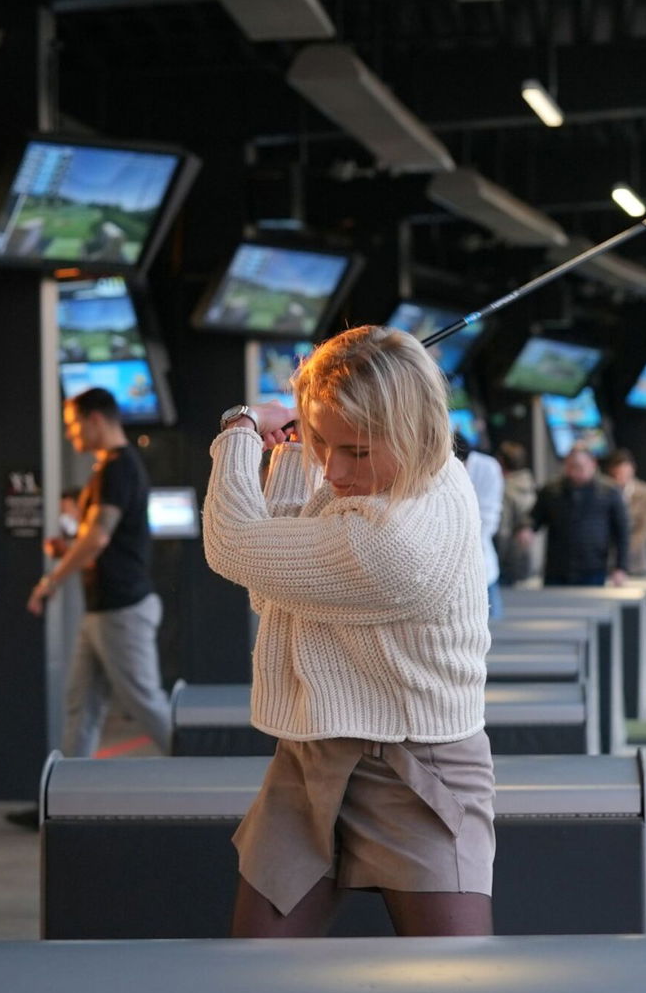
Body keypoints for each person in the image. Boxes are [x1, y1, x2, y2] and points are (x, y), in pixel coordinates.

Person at [203, 324, 493, 938]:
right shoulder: (417, 472)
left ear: (414, 432)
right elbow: (276, 587)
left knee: (457, 985)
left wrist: (240, 430)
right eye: (320, 441)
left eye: (355, 451)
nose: (332, 470)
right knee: (253, 980)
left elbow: (234, 546)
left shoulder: (394, 542)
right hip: (310, 754)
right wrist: (290, 452)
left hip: (416, 769)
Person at [27, 387, 173, 762]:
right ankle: (71, 791)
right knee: (82, 706)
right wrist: (68, 550)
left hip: (123, 609)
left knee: (145, 703)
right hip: (101, 609)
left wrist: (51, 582)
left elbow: (97, 537)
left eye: (72, 425)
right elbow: (100, 541)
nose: (69, 434)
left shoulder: (119, 467)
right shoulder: (106, 468)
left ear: (94, 420)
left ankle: (210, 777)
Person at [531, 448, 629, 587]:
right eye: (569, 467)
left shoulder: (609, 491)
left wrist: (621, 567)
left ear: (592, 464)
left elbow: (622, 532)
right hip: (557, 569)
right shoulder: (551, 491)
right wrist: (526, 528)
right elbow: (534, 518)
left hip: (593, 569)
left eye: (579, 467)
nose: (573, 472)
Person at [603, 449, 646, 575]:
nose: (621, 477)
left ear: (632, 469)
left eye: (624, 472)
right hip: (608, 561)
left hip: (637, 562)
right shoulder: (604, 492)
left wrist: (623, 549)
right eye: (617, 473)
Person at [463, 441, 503, 621]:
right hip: (447, 579)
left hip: (482, 567)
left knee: (494, 628)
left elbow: (488, 522)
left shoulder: (486, 467)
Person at [495, 442, 536, 586]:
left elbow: (503, 530)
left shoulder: (504, 489)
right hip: (528, 553)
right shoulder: (529, 483)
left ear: (500, 462)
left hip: (507, 557)